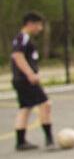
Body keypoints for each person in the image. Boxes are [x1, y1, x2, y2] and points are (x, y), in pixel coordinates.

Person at [10, 12, 53, 150]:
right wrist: (30, 74)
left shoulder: (24, 38)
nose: (40, 28)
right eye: (39, 25)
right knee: (45, 104)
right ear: (30, 24)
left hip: (20, 80)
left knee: (25, 108)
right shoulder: (22, 37)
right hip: (25, 80)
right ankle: (49, 140)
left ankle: (20, 142)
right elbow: (17, 55)